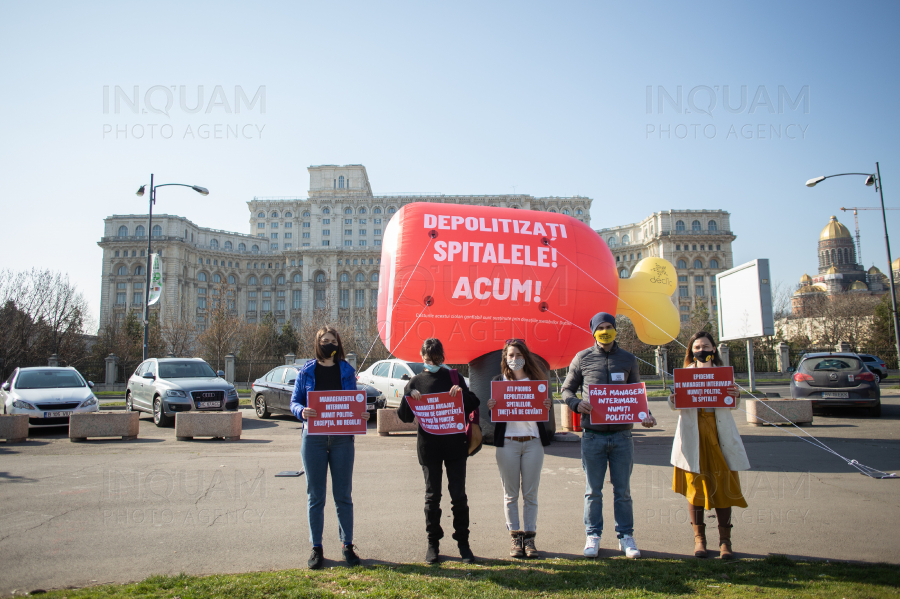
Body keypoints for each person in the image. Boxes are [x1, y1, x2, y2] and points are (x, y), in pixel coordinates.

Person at [562, 312, 657, 559]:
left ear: (615, 330)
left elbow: (638, 395)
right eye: (600, 328)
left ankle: (626, 537)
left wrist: (646, 414)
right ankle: (592, 535)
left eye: (609, 327)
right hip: (592, 436)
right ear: (593, 331)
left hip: (623, 437)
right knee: (593, 490)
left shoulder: (628, 359)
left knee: (622, 491)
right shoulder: (582, 358)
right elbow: (566, 390)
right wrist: (575, 404)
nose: (605, 331)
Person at [290, 326, 370, 570]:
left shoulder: (346, 371)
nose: (328, 344)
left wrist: (362, 415)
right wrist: (301, 412)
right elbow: (294, 401)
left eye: (332, 340)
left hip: (342, 439)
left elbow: (354, 403)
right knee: (316, 496)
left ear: (338, 344)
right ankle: (316, 547)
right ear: (317, 343)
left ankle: (347, 545)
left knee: (343, 495)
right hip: (312, 439)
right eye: (324, 340)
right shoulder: (306, 372)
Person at [397, 338, 481, 564]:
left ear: (443, 358)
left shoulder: (455, 378)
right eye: (428, 360)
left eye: (437, 359)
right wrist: (409, 398)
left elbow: (474, 402)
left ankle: (463, 543)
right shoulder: (415, 382)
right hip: (429, 447)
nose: (433, 363)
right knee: (432, 497)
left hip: (455, 446)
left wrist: (461, 395)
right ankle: (432, 543)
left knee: (458, 496)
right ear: (422, 358)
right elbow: (405, 417)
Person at [668, 331, 749, 560]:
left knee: (723, 486)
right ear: (691, 352)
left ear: (714, 349)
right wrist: (673, 399)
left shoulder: (723, 375)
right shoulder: (684, 375)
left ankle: (725, 541)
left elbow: (732, 404)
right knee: (695, 488)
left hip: (718, 433)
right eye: (696, 347)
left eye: (705, 346)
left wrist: (736, 394)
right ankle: (699, 540)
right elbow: (676, 405)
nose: (701, 350)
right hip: (693, 435)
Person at [487, 339, 554, 558]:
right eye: (510, 355)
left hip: (533, 443)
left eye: (518, 355)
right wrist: (492, 408)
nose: (514, 359)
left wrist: (547, 406)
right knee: (511, 494)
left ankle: (530, 539)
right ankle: (516, 538)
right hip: (508, 444)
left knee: (531, 494)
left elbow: (544, 415)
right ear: (505, 358)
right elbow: (494, 417)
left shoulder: (537, 382)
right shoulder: (498, 382)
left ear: (525, 356)